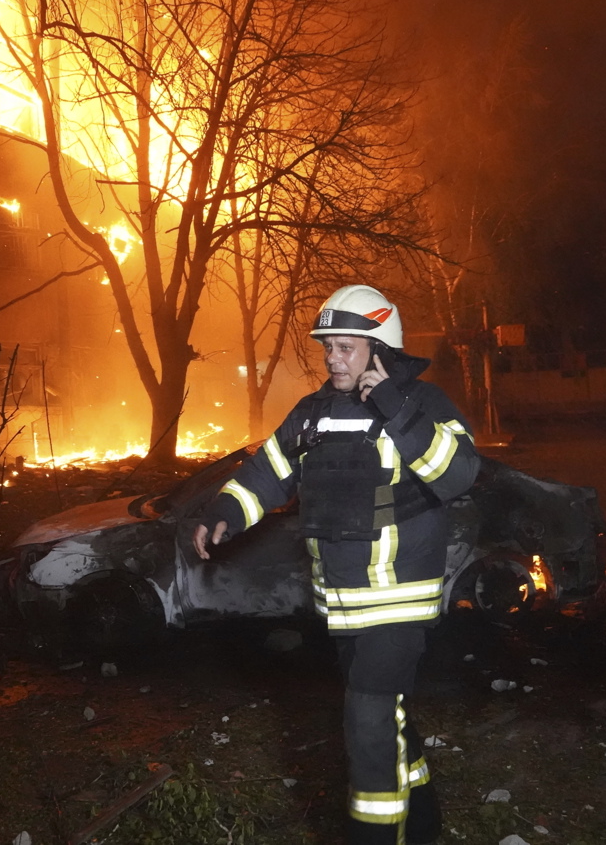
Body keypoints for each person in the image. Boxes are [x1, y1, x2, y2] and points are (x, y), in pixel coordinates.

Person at [193, 284, 480, 845]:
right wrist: (226, 509)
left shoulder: (423, 404)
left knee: (367, 722)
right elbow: (268, 471)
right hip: (342, 605)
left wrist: (395, 408)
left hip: (397, 603)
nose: (331, 358)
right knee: (387, 717)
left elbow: (459, 474)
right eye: (328, 347)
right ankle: (422, 824)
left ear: (379, 350)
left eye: (345, 347)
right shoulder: (313, 413)